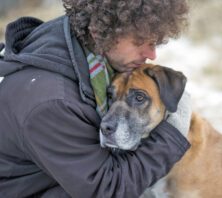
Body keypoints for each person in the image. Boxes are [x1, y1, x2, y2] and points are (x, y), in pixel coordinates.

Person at [0, 0, 190, 197]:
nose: (151, 54)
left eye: (154, 42)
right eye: (139, 41)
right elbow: (108, 189)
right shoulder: (53, 102)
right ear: (101, 31)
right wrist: (171, 136)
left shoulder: (78, 47)